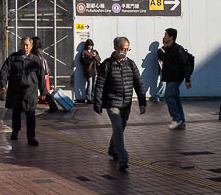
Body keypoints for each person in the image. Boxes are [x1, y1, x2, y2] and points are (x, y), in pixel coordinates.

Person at [93, 36, 147, 171]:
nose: (124, 52)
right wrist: (97, 103)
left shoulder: (131, 64)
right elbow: (99, 85)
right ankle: (123, 157)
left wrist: (142, 102)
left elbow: (138, 83)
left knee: (120, 128)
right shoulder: (107, 64)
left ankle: (112, 149)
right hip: (113, 103)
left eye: (127, 49)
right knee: (117, 127)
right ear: (115, 49)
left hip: (126, 104)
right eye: (122, 49)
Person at [0, 37, 46, 146]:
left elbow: (41, 76)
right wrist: (3, 84)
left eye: (27, 45)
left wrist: (43, 91)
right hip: (16, 91)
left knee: (30, 114)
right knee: (16, 113)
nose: (25, 47)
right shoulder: (14, 57)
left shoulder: (36, 59)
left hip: (31, 91)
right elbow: (4, 71)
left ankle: (31, 137)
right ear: (20, 45)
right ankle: (15, 131)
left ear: (31, 46)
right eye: (23, 45)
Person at [158, 28, 192, 130]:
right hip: (170, 78)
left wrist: (187, 79)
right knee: (176, 98)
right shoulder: (168, 49)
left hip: (176, 78)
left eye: (166, 35)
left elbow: (185, 64)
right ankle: (181, 121)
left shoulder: (178, 49)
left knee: (168, 96)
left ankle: (177, 119)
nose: (164, 37)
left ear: (171, 37)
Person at [31, 36, 58, 113]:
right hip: (43, 72)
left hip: (39, 72)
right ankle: (53, 106)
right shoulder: (40, 51)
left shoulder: (35, 52)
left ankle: (32, 106)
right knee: (44, 90)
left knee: (40, 89)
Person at [79, 39, 100, 103]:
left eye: (91, 45)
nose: (90, 46)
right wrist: (90, 58)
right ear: (86, 45)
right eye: (88, 45)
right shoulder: (84, 52)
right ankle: (88, 98)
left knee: (94, 84)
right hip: (88, 70)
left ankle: (93, 97)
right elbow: (82, 61)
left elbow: (99, 60)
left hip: (95, 70)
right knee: (90, 84)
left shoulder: (95, 51)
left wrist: (95, 56)